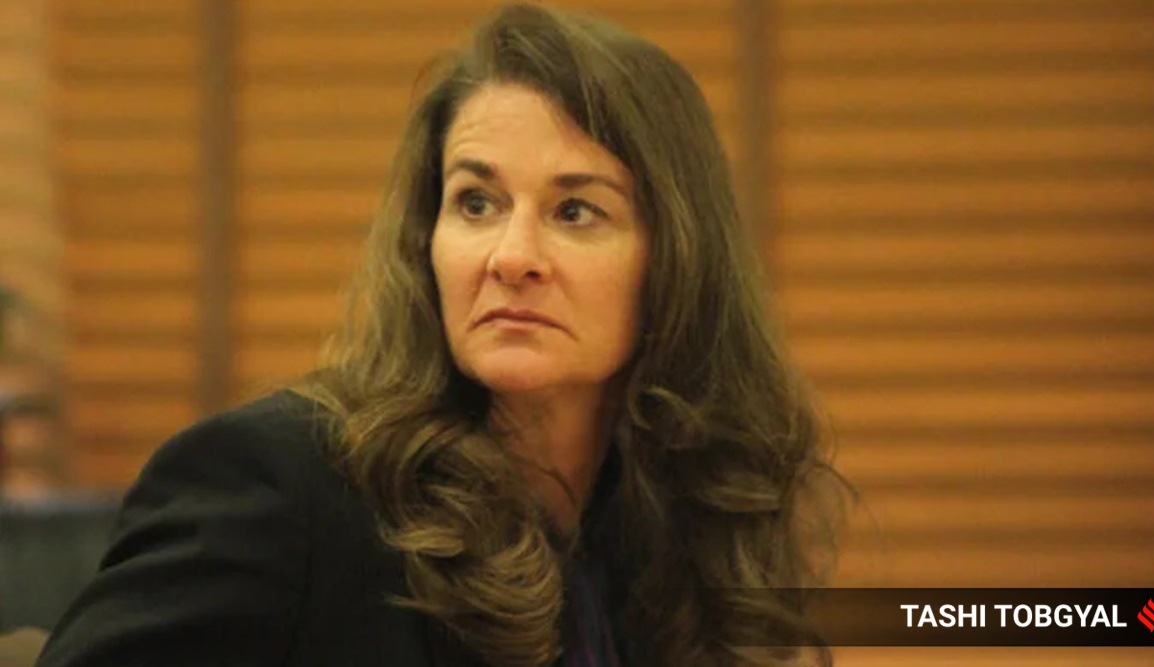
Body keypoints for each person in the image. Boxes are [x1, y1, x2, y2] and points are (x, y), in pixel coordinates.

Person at [35, 4, 847, 666]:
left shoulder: (662, 538)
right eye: (476, 203)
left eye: (575, 211)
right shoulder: (283, 490)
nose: (512, 257)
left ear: (676, 259)